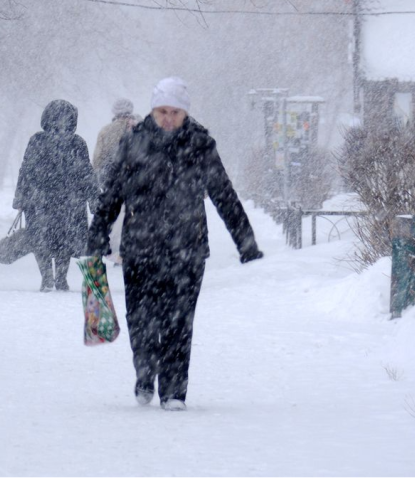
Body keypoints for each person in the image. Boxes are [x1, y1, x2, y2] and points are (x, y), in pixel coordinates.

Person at [87, 77, 263, 411]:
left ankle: (173, 392)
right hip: (140, 249)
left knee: (179, 322)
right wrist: (97, 236)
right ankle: (144, 374)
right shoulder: (133, 143)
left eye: (175, 112)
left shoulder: (200, 145)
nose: (168, 118)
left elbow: (223, 194)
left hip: (188, 249)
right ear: (152, 110)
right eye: (162, 111)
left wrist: (246, 242)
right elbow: (112, 195)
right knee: (140, 318)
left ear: (185, 112)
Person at [14, 99, 98, 292]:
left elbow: (26, 170)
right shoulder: (77, 142)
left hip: (40, 200)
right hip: (70, 201)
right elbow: (87, 173)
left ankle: (47, 278)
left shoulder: (37, 140)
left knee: (41, 239)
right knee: (64, 241)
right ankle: (60, 278)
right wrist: (93, 199)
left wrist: (21, 197)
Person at [92, 98, 140, 265]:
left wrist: (102, 180)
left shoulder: (106, 131)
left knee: (114, 216)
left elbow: (97, 160)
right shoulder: (141, 127)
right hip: (138, 180)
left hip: (113, 181)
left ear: (114, 112)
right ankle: (131, 250)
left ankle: (115, 251)